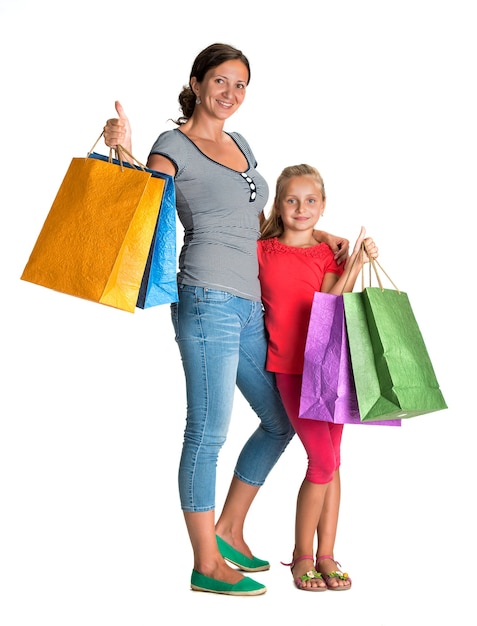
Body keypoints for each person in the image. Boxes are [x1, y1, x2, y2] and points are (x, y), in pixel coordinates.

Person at [103, 43, 350, 596]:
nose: (230, 94)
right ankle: (206, 562)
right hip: (206, 298)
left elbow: (257, 224)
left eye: (240, 85)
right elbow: (147, 203)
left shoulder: (241, 144)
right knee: (207, 430)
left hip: (249, 306)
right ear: (197, 82)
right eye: (221, 81)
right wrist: (125, 149)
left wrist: (317, 238)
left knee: (282, 419)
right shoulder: (174, 145)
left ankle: (231, 529)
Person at [258, 164, 379, 591]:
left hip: (328, 364)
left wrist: (357, 262)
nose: (301, 208)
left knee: (333, 461)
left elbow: (332, 302)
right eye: (292, 200)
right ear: (279, 204)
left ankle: (326, 554)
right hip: (289, 367)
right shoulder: (262, 250)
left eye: (311, 201)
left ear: (323, 206)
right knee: (322, 461)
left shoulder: (327, 254)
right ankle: (301, 557)